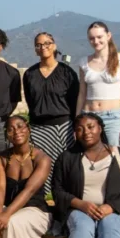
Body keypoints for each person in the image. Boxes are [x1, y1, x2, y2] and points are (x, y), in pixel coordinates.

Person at [22, 32, 79, 175]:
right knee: (41, 172)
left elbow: (75, 100)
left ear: (54, 46)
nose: (43, 47)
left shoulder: (67, 72)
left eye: (47, 43)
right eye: (39, 45)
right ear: (35, 49)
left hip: (64, 128)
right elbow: (31, 101)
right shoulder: (29, 74)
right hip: (39, 129)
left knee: (66, 169)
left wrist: (75, 127)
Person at [76, 21, 120, 148]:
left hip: (113, 117)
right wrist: (77, 120)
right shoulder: (83, 63)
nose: (96, 41)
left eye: (99, 37)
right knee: (89, 155)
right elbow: (82, 94)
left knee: (116, 156)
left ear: (108, 36)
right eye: (92, 38)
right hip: (89, 115)